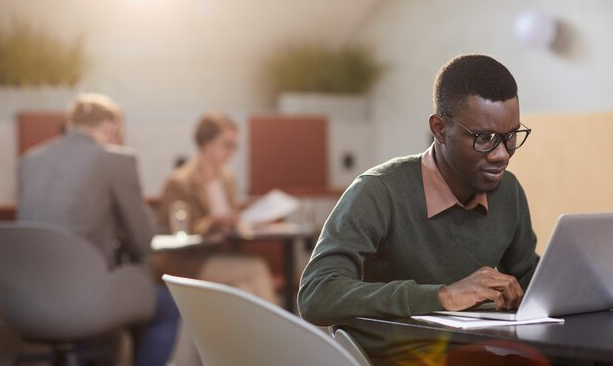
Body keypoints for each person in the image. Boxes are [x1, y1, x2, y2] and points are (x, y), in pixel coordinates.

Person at [298, 54, 541, 366]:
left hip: (477, 354)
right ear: (439, 129)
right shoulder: (378, 191)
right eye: (484, 138)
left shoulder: (509, 192)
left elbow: (529, 277)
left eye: (509, 137)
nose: (501, 155)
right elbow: (316, 295)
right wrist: (440, 296)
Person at [17, 93, 179, 366]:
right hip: (83, 299)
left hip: (25, 303)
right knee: (167, 308)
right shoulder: (114, 160)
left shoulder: (29, 161)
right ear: (111, 126)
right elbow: (143, 241)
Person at [155, 111, 278, 302]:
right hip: (191, 262)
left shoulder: (227, 178)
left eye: (235, 145)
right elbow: (176, 231)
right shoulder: (180, 182)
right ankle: (278, 331)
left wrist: (249, 223)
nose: (231, 151)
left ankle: (262, 332)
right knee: (256, 268)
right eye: (227, 144)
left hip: (223, 255)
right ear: (207, 143)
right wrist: (214, 222)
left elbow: (232, 219)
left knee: (244, 288)